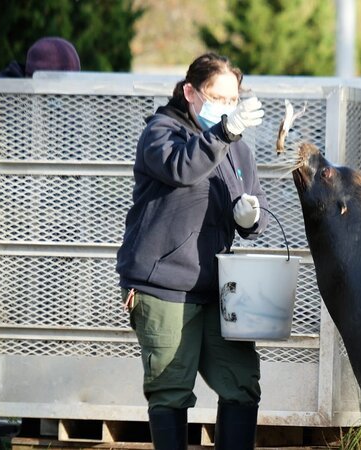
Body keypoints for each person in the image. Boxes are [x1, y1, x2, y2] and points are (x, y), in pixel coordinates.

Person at [115, 52, 269, 450]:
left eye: (233, 100)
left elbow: (255, 212)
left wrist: (250, 218)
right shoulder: (161, 133)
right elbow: (182, 168)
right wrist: (223, 132)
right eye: (217, 97)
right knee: (170, 389)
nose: (226, 107)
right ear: (190, 92)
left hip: (219, 290)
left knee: (241, 383)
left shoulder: (239, 149)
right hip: (164, 287)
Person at [0, 36, 80, 449]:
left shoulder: (30, 102)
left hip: (48, 233)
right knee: (16, 326)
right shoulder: (8, 105)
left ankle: (29, 418)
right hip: (20, 238)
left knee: (44, 327)